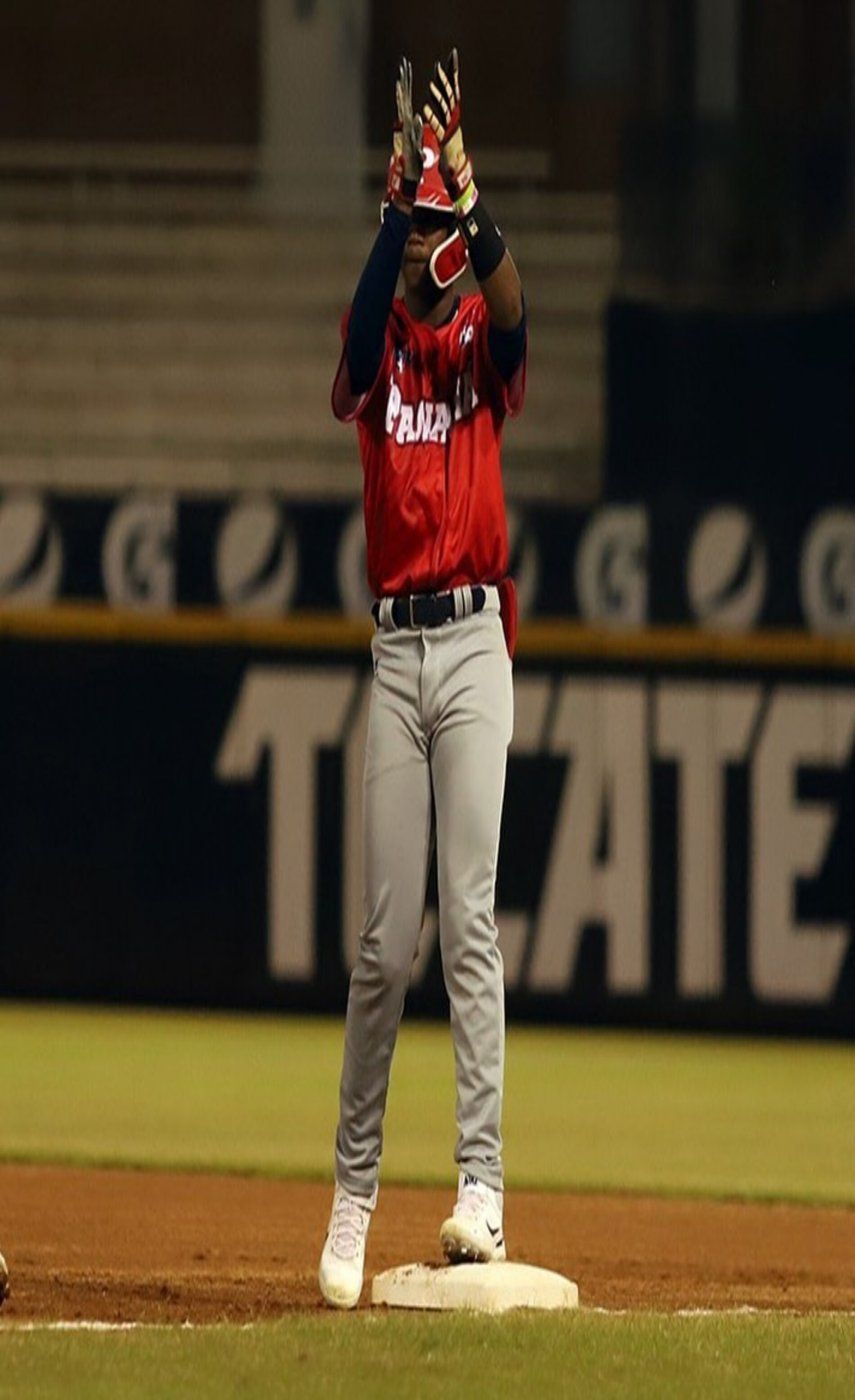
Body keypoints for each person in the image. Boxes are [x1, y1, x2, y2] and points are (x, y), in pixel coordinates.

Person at [319, 50, 527, 1309]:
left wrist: (466, 195)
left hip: (474, 641)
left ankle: (483, 1186)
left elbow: (513, 308)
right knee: (383, 944)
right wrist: (401, 203)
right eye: (412, 231)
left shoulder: (477, 347)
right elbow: (351, 338)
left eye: (432, 231)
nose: (421, 250)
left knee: (473, 922)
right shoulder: (381, 344)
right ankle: (351, 1195)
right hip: (398, 648)